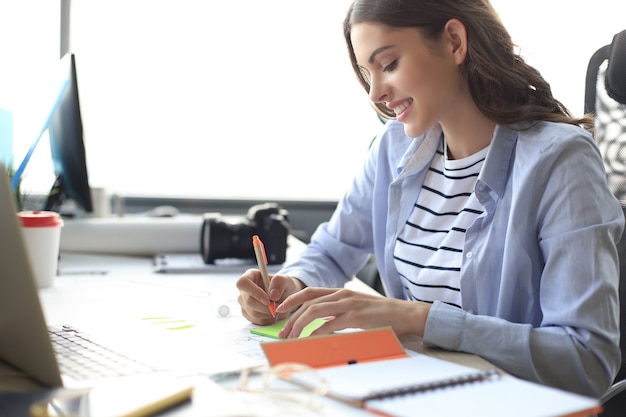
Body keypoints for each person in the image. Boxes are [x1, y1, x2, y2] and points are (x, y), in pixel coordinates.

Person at [236, 0, 624, 398]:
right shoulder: (393, 149)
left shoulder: (559, 161)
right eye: (366, 73)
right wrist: (289, 287)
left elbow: (586, 360)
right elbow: (334, 249)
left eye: (388, 65)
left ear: (454, 41)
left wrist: (419, 320)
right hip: (412, 392)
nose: (375, 93)